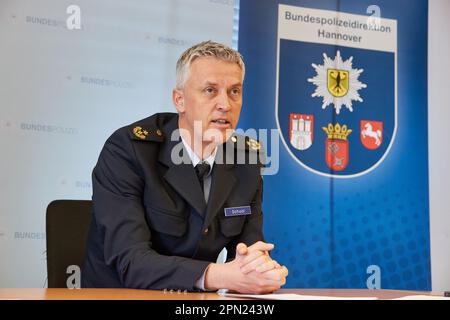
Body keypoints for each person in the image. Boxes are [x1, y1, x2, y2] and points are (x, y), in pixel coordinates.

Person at [82, 41, 288, 293]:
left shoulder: (246, 159)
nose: (225, 104)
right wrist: (221, 275)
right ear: (179, 100)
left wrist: (261, 271)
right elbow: (130, 262)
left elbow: (247, 250)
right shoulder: (129, 150)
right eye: (210, 90)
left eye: (234, 91)